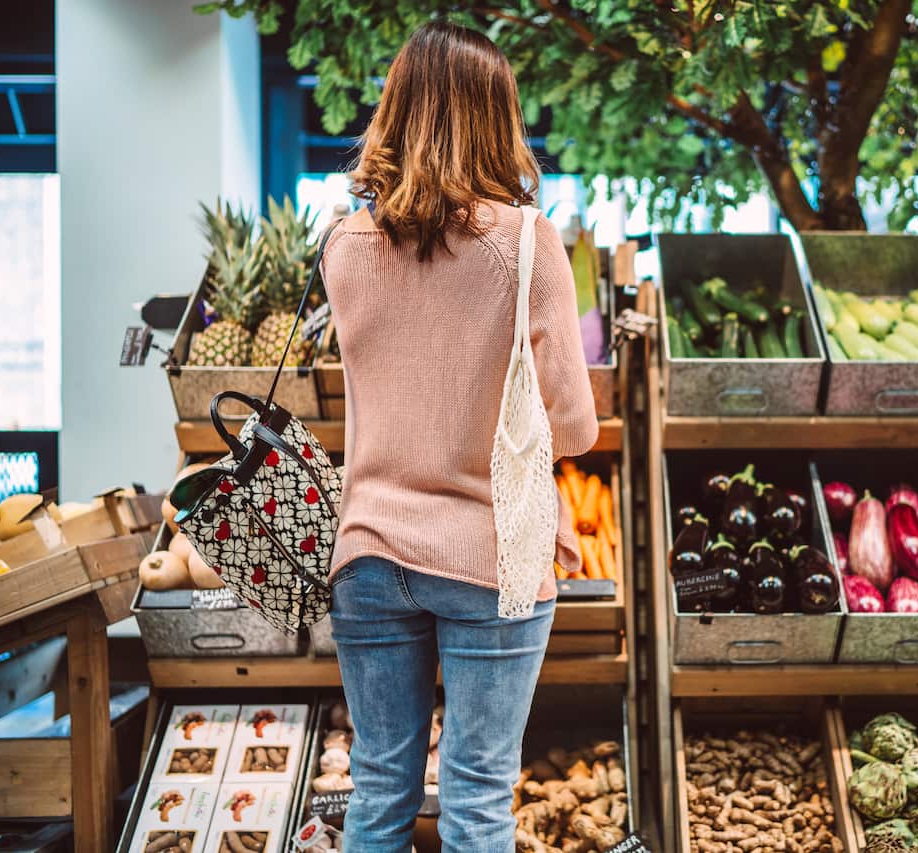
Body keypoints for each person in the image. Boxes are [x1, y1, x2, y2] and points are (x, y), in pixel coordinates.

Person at [318, 21, 598, 852]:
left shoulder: (342, 247)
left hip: (366, 550)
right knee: (476, 799)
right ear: (494, 117)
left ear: (396, 109)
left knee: (378, 792)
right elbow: (575, 428)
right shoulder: (525, 242)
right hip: (489, 556)